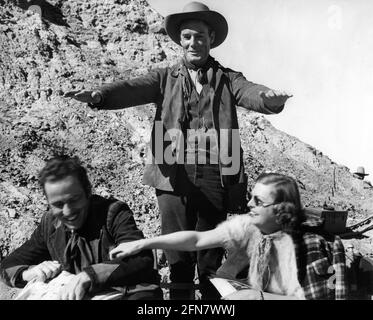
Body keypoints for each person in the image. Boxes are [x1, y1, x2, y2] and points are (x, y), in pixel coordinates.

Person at [65, 2, 292, 299]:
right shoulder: (165, 78)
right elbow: (132, 88)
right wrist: (100, 95)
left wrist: (270, 99)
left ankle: (211, 304)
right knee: (177, 256)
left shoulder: (228, 78)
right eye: (187, 37)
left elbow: (251, 93)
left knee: (209, 255)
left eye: (199, 36)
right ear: (180, 40)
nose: (193, 43)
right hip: (172, 177)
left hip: (216, 175)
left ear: (211, 38)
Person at [110, 173, 348, 300]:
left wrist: (256, 297)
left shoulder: (309, 245)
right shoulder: (250, 225)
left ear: (280, 210)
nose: (248, 204)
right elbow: (197, 240)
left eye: (258, 201)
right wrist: (143, 242)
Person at [0, 156, 162, 300]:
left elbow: (140, 259)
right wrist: (30, 272)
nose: (68, 211)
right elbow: (7, 266)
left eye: (74, 200)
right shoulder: (50, 224)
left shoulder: (113, 213)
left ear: (87, 192)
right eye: (57, 204)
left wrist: (89, 276)